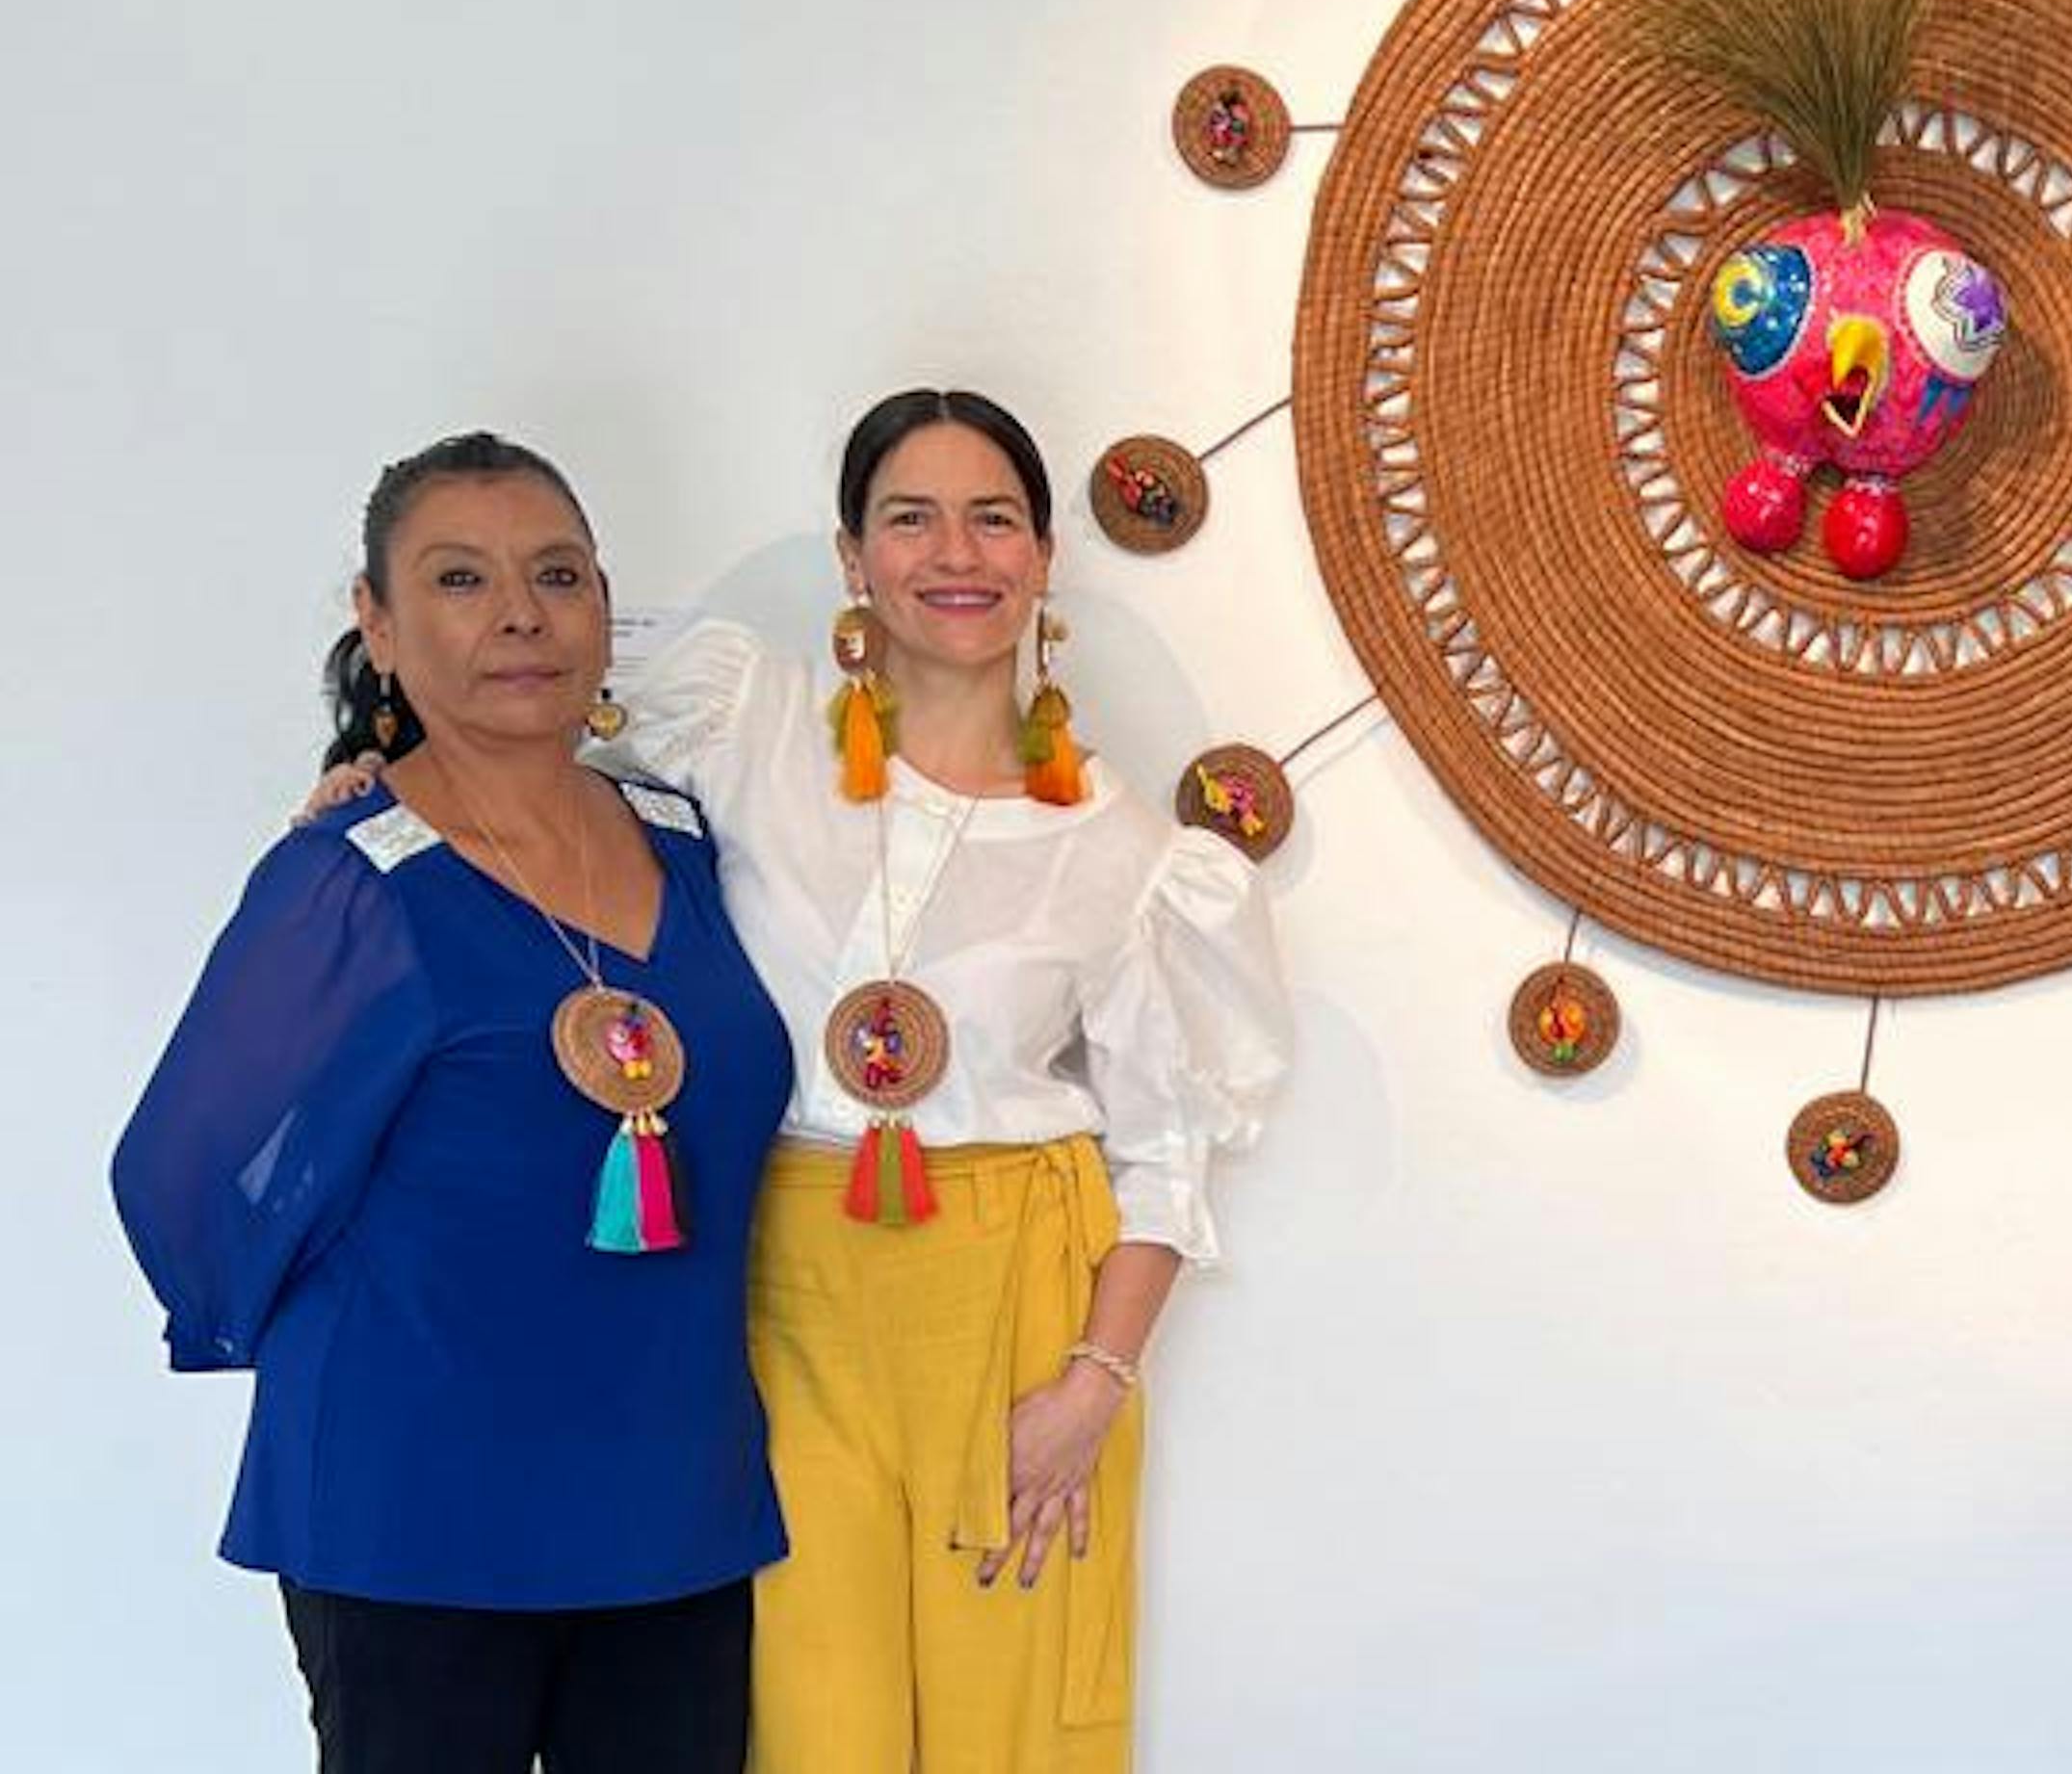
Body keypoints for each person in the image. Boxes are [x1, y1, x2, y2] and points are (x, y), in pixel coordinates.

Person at [620, 388, 1289, 1772]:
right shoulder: (749, 727)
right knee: (810, 1727)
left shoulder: (1122, 848)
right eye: (910, 519)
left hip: (1017, 1306)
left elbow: (1163, 1157)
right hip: (787, 1305)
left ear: (1042, 556)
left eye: (992, 519)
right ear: (853, 557)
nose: (955, 554)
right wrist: (370, 763)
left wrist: (1093, 1385)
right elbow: (527, 713)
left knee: (1010, 1725)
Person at [115, 433, 792, 1773]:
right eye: (461, 580)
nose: (521, 616)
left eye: (558, 574)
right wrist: (365, 1321)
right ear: (378, 623)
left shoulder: (684, 838)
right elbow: (186, 1169)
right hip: (416, 1509)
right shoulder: (345, 883)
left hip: (670, 1497)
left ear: (604, 602)